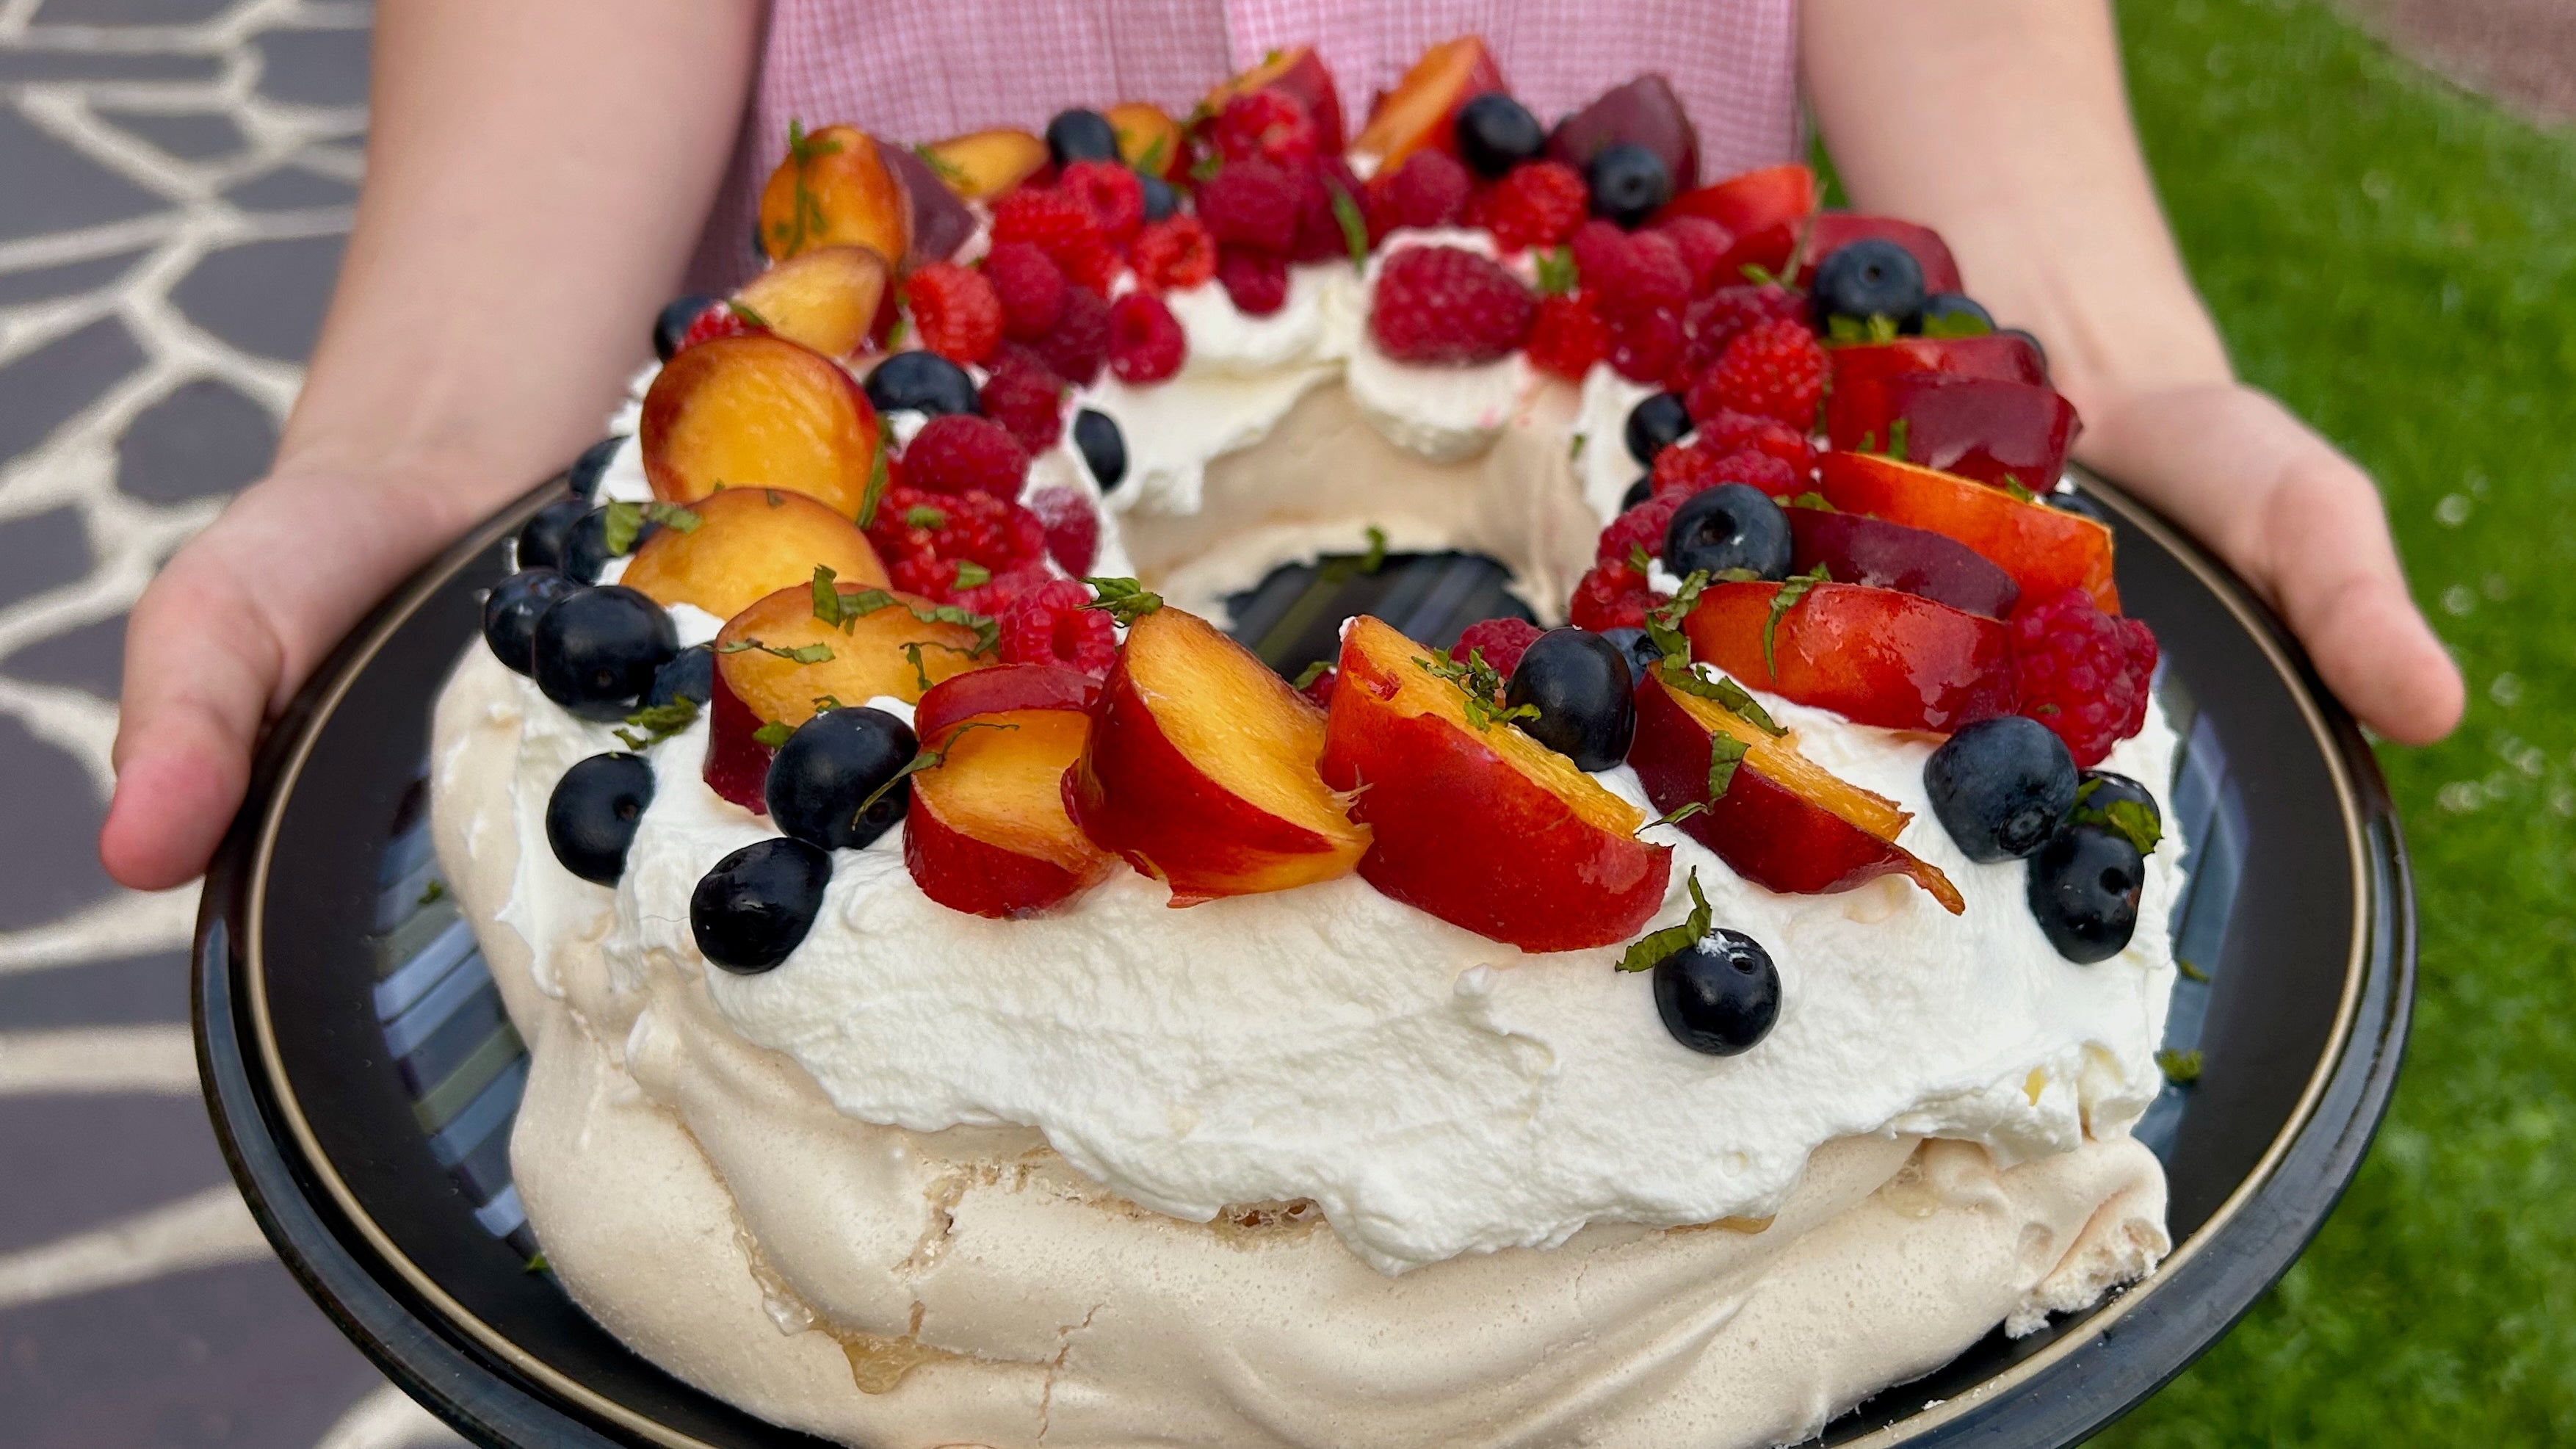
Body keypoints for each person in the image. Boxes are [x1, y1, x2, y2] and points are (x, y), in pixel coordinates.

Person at [95, 0, 2465, 891]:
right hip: (945, 549)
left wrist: (2126, 399)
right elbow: (505, 261)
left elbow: (2000, 146)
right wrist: (408, 474)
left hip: (1643, 491)